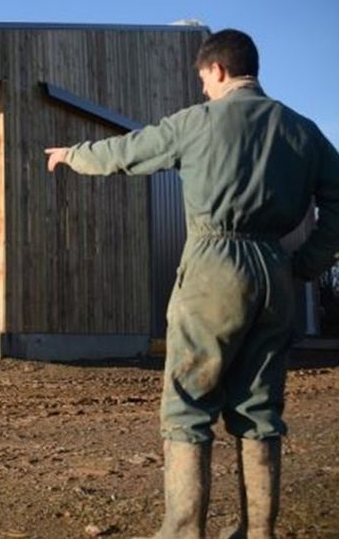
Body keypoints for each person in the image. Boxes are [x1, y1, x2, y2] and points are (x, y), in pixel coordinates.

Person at [45, 29, 339, 539]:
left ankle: (183, 532)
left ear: (218, 71)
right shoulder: (304, 131)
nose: (202, 89)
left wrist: (73, 154)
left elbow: (128, 151)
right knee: (259, 407)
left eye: (203, 79)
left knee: (188, 403)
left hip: (213, 266)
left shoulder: (197, 121)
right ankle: (259, 531)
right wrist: (307, 263)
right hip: (275, 268)